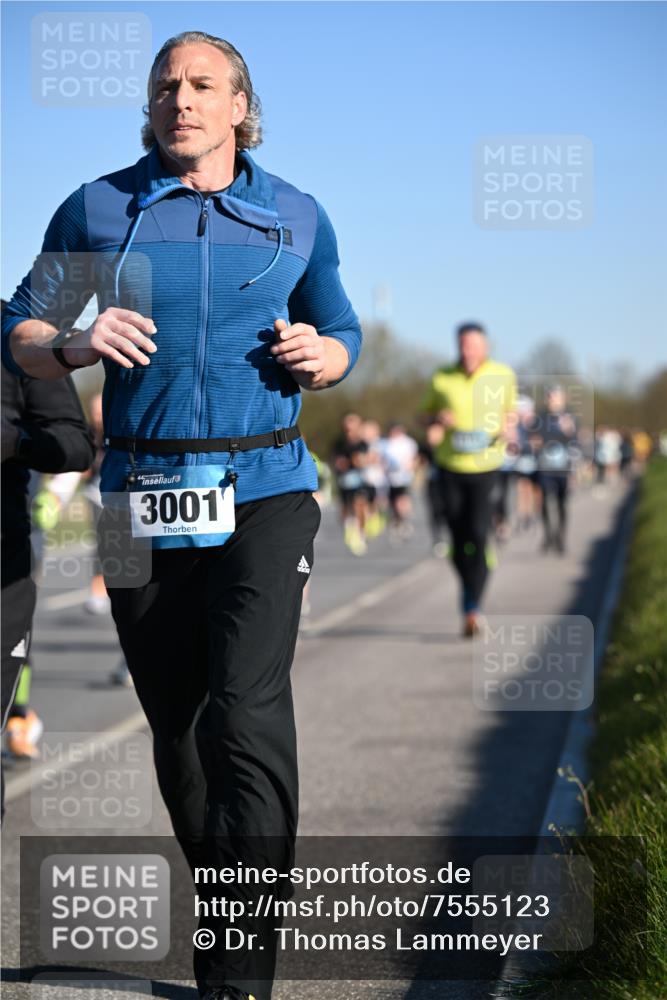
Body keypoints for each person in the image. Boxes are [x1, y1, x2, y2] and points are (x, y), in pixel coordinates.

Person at [2, 31, 361, 1000]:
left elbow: (341, 327)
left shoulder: (294, 213)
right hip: (137, 497)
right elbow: (17, 328)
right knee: (180, 728)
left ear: (241, 105)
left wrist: (325, 358)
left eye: (203, 85)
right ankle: (226, 897)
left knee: (244, 710)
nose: (182, 100)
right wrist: (75, 343)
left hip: (266, 485)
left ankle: (238, 969)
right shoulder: (98, 207)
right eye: (166, 86)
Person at [1, 356, 94, 795]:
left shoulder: (17, 339)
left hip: (14, 544)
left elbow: (76, 447)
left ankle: (18, 717)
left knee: (119, 581)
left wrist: (52, 497)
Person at [419, 322, 517, 637]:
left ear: (485, 347)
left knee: (477, 533)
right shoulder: (442, 377)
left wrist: (508, 429)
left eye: (473, 345)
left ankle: (472, 607)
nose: (467, 350)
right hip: (450, 467)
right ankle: (470, 593)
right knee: (458, 541)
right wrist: (437, 419)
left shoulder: (503, 375)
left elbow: (511, 414)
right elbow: (423, 416)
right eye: (463, 344)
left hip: (487, 467)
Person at [530, 384, 578, 554]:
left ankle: (560, 538)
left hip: (563, 468)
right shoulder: (541, 417)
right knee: (544, 500)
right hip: (544, 467)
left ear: (563, 399)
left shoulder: (569, 417)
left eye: (557, 397)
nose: (553, 401)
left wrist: (569, 431)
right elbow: (535, 438)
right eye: (550, 397)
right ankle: (548, 535)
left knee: (562, 503)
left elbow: (575, 440)